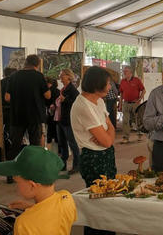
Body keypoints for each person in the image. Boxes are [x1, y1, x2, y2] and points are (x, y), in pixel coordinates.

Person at [70, 66, 116, 235]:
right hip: (94, 158)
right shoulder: (83, 105)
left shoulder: (99, 101)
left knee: (109, 200)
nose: (110, 87)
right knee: (98, 206)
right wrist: (107, 136)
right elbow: (106, 140)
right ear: (97, 85)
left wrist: (107, 135)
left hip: (106, 155)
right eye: (108, 83)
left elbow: (110, 129)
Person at [0, 145, 76, 235]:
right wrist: (32, 207)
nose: (16, 187)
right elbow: (51, 213)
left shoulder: (24, 223)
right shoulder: (66, 198)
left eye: (17, 182)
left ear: (32, 185)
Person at [5, 54, 51, 182]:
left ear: (26, 63)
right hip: (34, 116)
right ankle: (33, 173)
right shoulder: (38, 76)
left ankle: (10, 174)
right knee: (35, 145)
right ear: (37, 64)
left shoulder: (14, 76)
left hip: (17, 115)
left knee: (15, 145)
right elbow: (47, 95)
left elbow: (7, 98)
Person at [56, 69, 80, 175]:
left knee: (72, 143)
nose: (61, 77)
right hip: (61, 119)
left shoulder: (73, 90)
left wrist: (65, 100)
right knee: (62, 143)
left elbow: (76, 104)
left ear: (69, 76)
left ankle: (77, 165)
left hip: (69, 120)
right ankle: (63, 164)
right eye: (60, 75)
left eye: (62, 75)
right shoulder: (63, 89)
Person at [119, 66, 145, 144]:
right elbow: (121, 93)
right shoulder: (122, 81)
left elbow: (143, 90)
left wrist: (140, 99)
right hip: (126, 103)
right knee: (125, 121)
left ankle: (140, 133)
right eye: (124, 71)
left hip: (135, 104)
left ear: (130, 73)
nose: (124, 73)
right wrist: (120, 104)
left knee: (137, 119)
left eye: (126, 71)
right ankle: (125, 137)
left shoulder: (137, 80)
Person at [1, 67, 17, 164]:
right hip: (12, 110)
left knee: (2, 133)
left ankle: (4, 153)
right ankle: (10, 155)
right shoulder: (13, 83)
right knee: (11, 133)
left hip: (1, 111)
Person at [45, 77, 60, 152]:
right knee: (56, 133)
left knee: (50, 133)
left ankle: (49, 150)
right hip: (56, 114)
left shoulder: (50, 91)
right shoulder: (57, 90)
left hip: (52, 113)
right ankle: (58, 151)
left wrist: (52, 105)